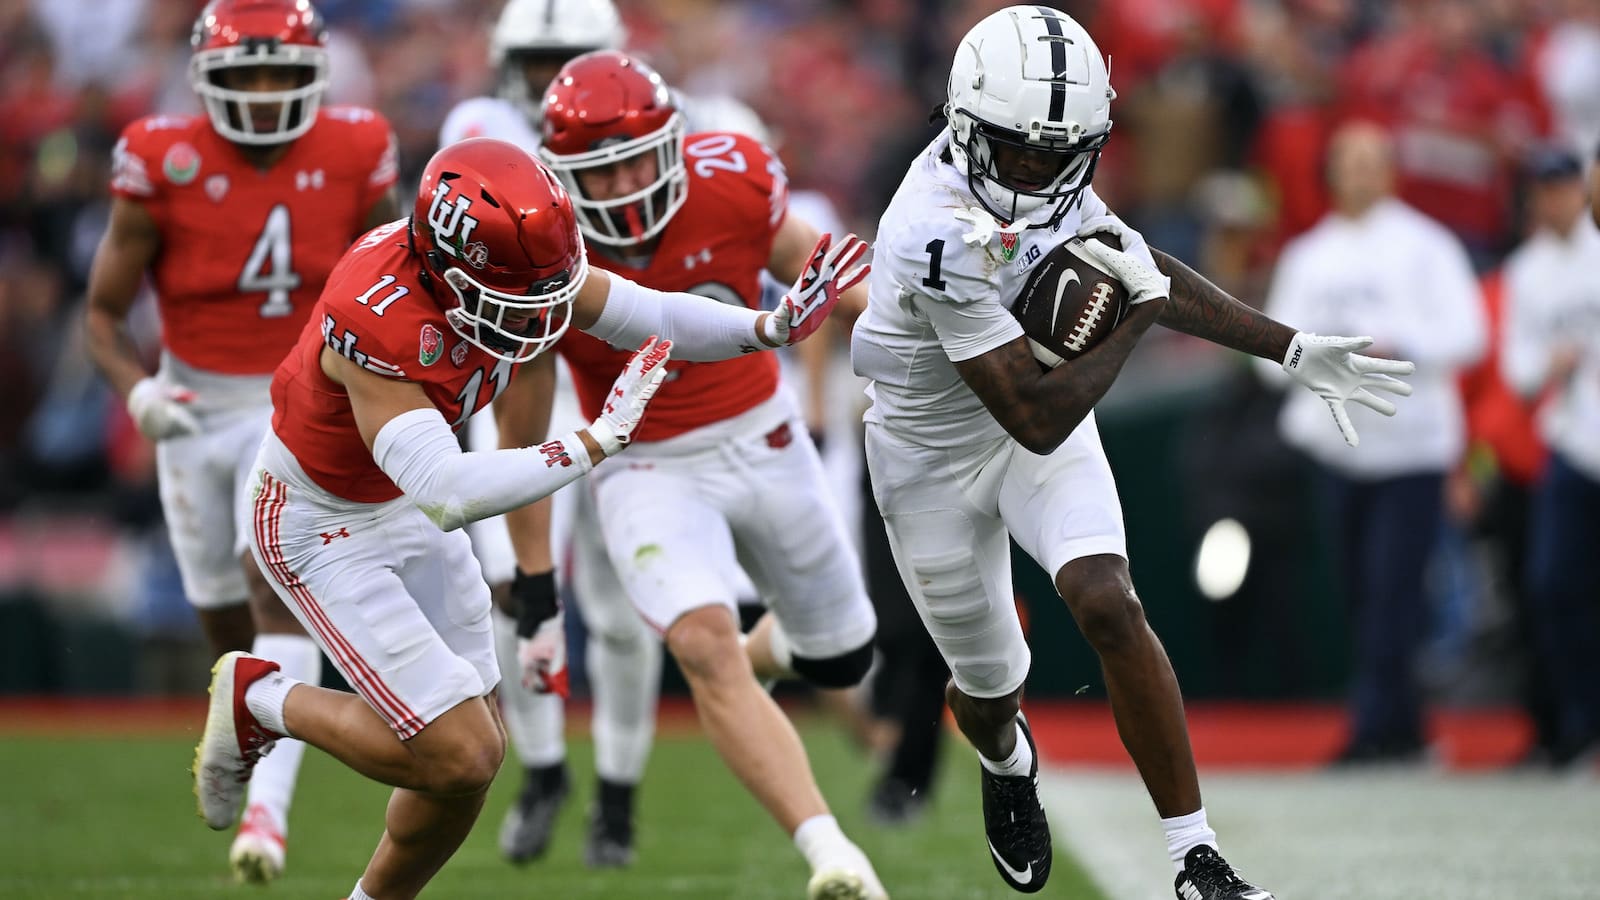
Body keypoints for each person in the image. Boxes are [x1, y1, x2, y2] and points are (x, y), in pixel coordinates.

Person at [190, 136, 860, 900]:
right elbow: (447, 488)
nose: (542, 316)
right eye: (518, 301)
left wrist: (766, 328)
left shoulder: (520, 263)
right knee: (460, 752)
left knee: (467, 770)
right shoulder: (375, 318)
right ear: (449, 271)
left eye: (549, 291)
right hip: (321, 521)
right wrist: (593, 441)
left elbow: (654, 314)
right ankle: (259, 698)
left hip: (398, 502)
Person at [851, 7, 1414, 899]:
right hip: (928, 456)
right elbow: (1035, 409)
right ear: (964, 126)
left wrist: (1291, 347)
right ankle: (1007, 764)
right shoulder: (931, 226)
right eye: (1020, 152)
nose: (1039, 172)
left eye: (1056, 153)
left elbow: (1132, 259)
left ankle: (1197, 856)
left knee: (1109, 601)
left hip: (1032, 425)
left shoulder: (1051, 176)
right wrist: (1135, 319)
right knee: (987, 691)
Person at [527, 51, 886, 900]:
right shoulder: (539, 244)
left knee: (840, 655)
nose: (616, 189)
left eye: (632, 161)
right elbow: (526, 401)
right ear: (560, 177)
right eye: (596, 171)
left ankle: (751, 660)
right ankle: (833, 853)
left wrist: (939, 349)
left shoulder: (736, 177)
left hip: (761, 429)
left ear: (677, 143)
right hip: (644, 460)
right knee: (697, 641)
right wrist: (532, 561)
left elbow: (820, 271)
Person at [437, 0, 775, 868]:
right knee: (515, 586)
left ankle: (618, 795)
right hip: (526, 376)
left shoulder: (684, 128)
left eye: (573, 58)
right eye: (539, 61)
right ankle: (544, 769)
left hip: (623, 373)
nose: (554, 79)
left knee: (625, 612)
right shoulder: (478, 134)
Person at [81, 0, 399, 883]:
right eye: (244, 77)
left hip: (299, 396)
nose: (263, 96)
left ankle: (268, 818)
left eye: (280, 76)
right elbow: (102, 314)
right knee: (222, 618)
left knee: (274, 592)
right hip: (191, 404)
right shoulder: (160, 157)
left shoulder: (354, 147)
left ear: (318, 76)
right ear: (204, 83)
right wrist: (136, 389)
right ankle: (255, 725)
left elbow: (393, 271)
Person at [1260, 120, 1487, 764]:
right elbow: (1267, 355)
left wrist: (1403, 347)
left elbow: (1469, 333)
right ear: (1331, 172)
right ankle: (1406, 729)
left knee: (1394, 590)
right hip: (1338, 449)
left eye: (1372, 160)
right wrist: (1319, 362)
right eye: (1349, 160)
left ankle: (1371, 732)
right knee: (1362, 592)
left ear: (1390, 170)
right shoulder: (1309, 256)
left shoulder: (1428, 246)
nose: (1360, 172)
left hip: (1412, 447)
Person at [1502, 141, 1600, 768]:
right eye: (1546, 188)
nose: (1557, 198)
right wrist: (1549, 364)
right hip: (1572, 440)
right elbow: (1518, 373)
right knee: (1553, 586)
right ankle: (1580, 725)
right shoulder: (1527, 271)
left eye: (1566, 185)